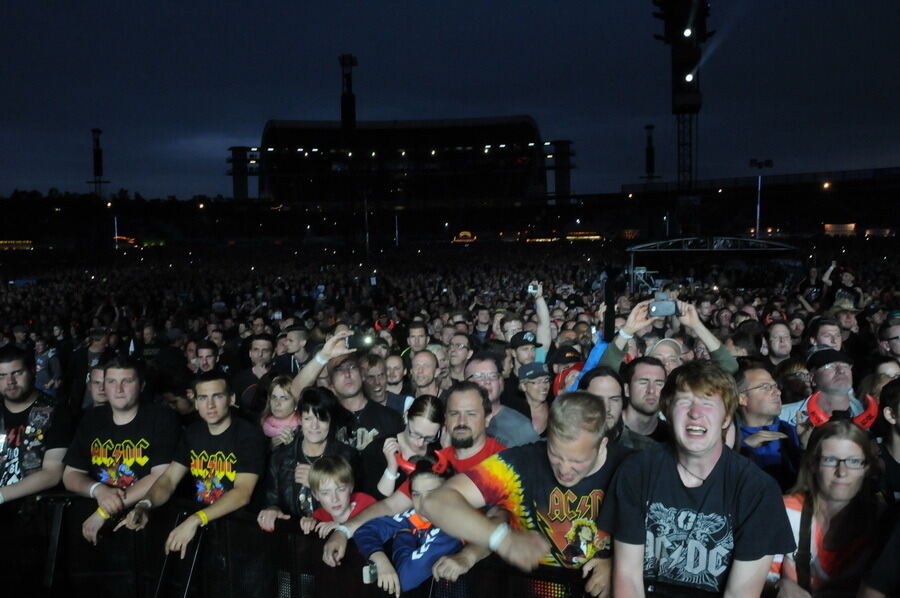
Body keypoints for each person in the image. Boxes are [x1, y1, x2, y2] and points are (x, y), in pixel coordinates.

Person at [600, 360, 794, 597]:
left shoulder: (757, 490)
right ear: (668, 413)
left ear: (726, 419)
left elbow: (740, 594)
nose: (695, 413)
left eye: (708, 403)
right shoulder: (636, 472)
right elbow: (627, 578)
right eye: (684, 402)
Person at [421, 391, 631, 597]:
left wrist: (620, 563)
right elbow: (435, 502)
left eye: (577, 461)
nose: (565, 469)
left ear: (602, 444)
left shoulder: (632, 468)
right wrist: (502, 540)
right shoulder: (521, 464)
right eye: (556, 455)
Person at [322, 382, 505, 580]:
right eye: (454, 413)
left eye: (471, 413)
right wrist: (342, 531)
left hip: (489, 575)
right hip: (435, 573)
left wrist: (467, 556)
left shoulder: (504, 461)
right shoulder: (437, 460)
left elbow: (502, 519)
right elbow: (392, 505)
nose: (461, 421)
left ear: (488, 418)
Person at [115, 371, 266, 559]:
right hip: (205, 533)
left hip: (242, 536)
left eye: (217, 396)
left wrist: (195, 519)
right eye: (203, 398)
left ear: (231, 398)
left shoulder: (248, 435)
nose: (209, 405)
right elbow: (169, 479)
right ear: (195, 402)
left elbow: (243, 493)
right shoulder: (193, 433)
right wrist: (145, 504)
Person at [62, 356, 180, 544]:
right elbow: (71, 474)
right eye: (111, 382)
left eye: (127, 381)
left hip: (144, 522)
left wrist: (106, 509)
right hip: (93, 520)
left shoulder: (161, 418)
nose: (118, 389)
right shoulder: (92, 419)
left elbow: (161, 476)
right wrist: (98, 490)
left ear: (141, 385)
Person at [768, 420, 885, 597]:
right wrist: (778, 585)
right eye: (831, 460)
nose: (842, 472)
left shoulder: (883, 518)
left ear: (866, 468)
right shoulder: (786, 512)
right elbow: (756, 580)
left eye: (853, 461)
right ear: (813, 465)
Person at [354, 456, 463, 596]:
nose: (422, 503)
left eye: (431, 493)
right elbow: (365, 530)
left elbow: (405, 578)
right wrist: (380, 559)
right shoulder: (417, 516)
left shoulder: (451, 528)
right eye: (416, 494)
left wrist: (403, 535)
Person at [258, 386, 359, 531]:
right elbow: (271, 500)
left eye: (322, 419)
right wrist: (272, 510)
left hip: (331, 535)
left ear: (331, 421)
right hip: (292, 537)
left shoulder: (346, 456)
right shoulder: (281, 457)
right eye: (308, 418)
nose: (314, 426)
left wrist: (317, 482)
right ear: (299, 419)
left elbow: (358, 507)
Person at [0, 345, 72, 504]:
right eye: (2, 375)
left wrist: (1, 495)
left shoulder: (55, 410)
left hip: (34, 509)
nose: (10, 381)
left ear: (33, 371)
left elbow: (52, 474)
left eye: (17, 373)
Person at [735, 362, 801, 491]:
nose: (777, 392)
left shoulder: (792, 432)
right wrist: (742, 449)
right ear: (742, 398)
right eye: (765, 387)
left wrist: (806, 446)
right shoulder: (727, 438)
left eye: (775, 386)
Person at [468, 351, 541, 448]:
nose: (487, 381)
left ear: (501, 382)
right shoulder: (457, 420)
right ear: (465, 383)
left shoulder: (520, 426)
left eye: (493, 376)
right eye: (479, 376)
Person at [377, 395, 443, 497]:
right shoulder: (378, 449)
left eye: (429, 438)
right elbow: (376, 503)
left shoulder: (439, 450)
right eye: (416, 434)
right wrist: (391, 468)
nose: (420, 443)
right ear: (406, 416)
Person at [298, 455, 376, 538]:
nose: (335, 499)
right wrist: (309, 524)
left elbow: (381, 530)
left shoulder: (367, 505)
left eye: (341, 489)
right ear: (316, 495)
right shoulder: (318, 517)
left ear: (351, 487)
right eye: (325, 493)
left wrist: (342, 528)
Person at [259, 375, 300, 449]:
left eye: (284, 398)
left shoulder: (303, 428)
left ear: (295, 403)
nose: (277, 403)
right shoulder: (260, 425)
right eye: (274, 397)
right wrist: (270, 447)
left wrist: (291, 447)